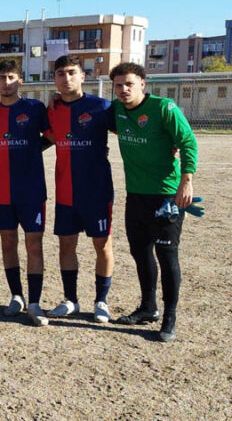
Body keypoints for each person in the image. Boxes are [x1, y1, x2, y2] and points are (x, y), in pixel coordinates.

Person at [109, 62, 198, 342]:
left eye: (129, 84)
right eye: (118, 85)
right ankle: (149, 307)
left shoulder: (163, 108)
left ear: (143, 84)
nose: (123, 89)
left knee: (167, 255)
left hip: (166, 195)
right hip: (136, 195)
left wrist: (186, 181)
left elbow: (188, 142)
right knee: (140, 252)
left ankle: (169, 316)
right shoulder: (116, 110)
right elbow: (105, 123)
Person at [43, 55, 114, 323]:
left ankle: (101, 302)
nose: (66, 78)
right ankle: (71, 299)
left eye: (71, 72)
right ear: (55, 79)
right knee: (66, 245)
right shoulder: (51, 109)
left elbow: (129, 129)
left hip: (97, 190)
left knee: (103, 244)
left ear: (83, 76)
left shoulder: (102, 107)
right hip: (65, 191)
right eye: (60, 73)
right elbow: (47, 137)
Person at [0, 60, 50, 326]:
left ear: (20, 81)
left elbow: (53, 136)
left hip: (32, 190)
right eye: (1, 77)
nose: (6, 82)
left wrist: (32, 149)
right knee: (7, 243)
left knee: (34, 245)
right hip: (1, 190)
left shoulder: (35, 108)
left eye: (11, 77)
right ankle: (16, 296)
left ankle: (34, 302)